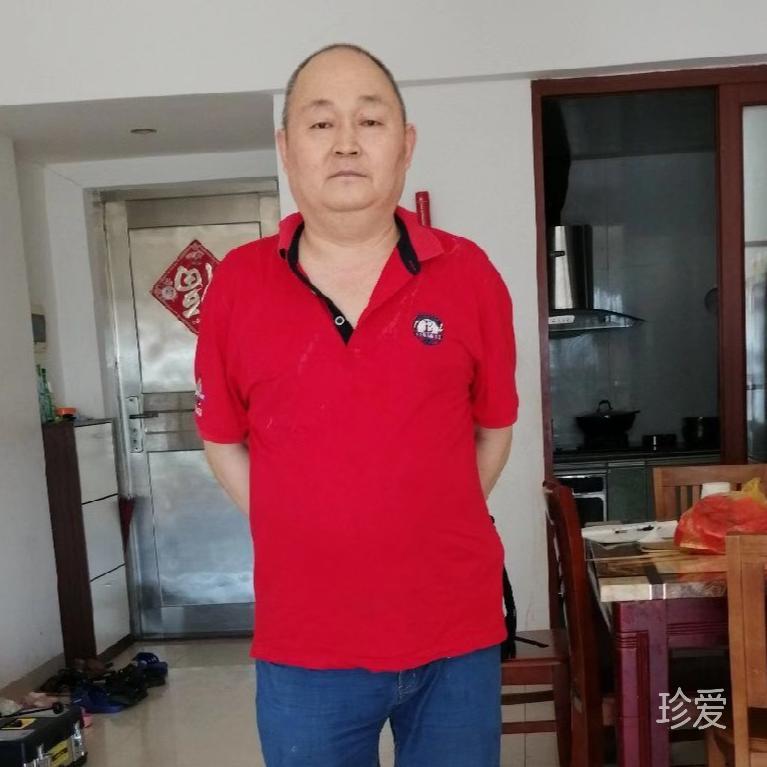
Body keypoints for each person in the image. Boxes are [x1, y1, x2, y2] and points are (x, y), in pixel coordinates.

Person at [194, 43, 518, 767]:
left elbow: (493, 429)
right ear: (286, 148)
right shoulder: (238, 285)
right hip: (305, 642)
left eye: (369, 121)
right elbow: (222, 439)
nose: (345, 142)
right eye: (320, 123)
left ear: (406, 144)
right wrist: (297, 521)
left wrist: (427, 517)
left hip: (454, 632)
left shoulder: (468, 273)